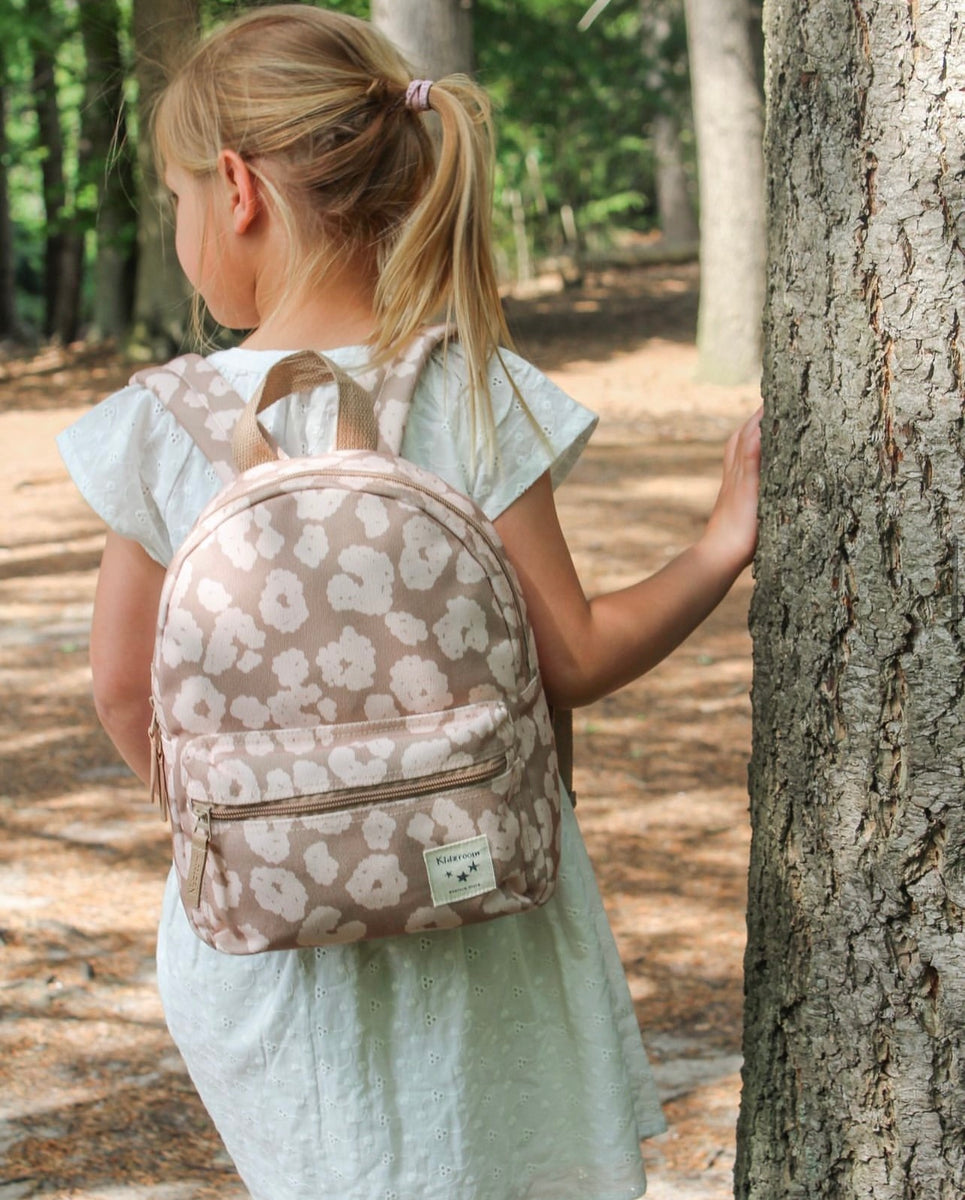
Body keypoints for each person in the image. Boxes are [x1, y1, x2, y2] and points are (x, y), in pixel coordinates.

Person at [58, 6, 761, 1198]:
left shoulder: (161, 423)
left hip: (271, 951)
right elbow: (574, 656)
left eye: (175, 202)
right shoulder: (470, 383)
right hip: (482, 908)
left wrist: (271, 834)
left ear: (234, 189)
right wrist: (716, 545)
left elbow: (125, 692)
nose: (178, 232)